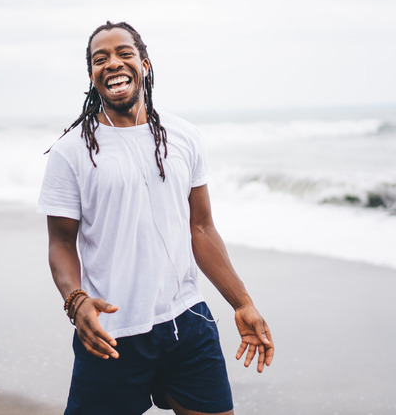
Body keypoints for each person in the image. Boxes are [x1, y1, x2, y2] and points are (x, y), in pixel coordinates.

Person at [38, 21, 274, 415]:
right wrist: (76, 302)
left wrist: (242, 302)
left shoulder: (184, 137)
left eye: (124, 54)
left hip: (188, 323)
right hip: (110, 334)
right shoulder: (71, 152)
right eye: (101, 59)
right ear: (92, 76)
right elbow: (61, 243)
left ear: (144, 64)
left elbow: (200, 228)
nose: (113, 63)